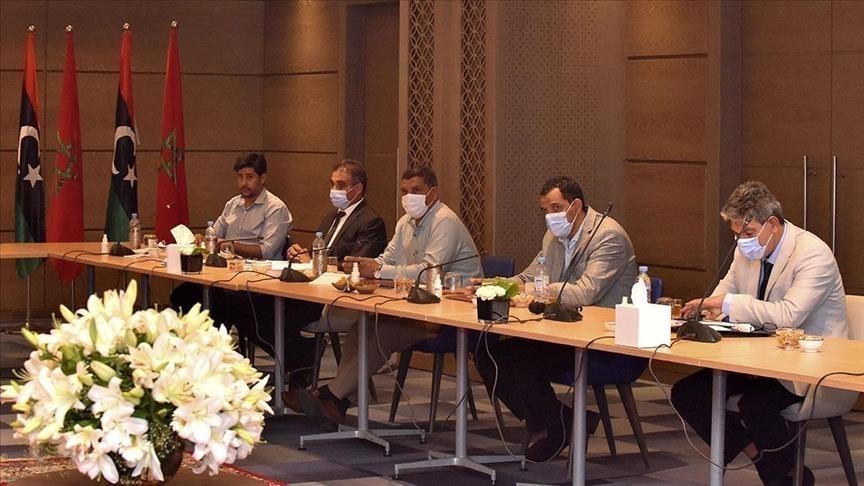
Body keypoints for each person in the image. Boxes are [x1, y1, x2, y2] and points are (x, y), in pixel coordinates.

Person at [671, 181, 847, 486]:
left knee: (756, 405)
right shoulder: (746, 250)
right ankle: (766, 461)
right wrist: (706, 311)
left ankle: (785, 477)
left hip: (809, 365)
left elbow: (788, 315)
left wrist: (727, 304)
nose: (742, 241)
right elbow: (722, 295)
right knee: (688, 393)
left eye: (748, 233)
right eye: (736, 234)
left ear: (773, 224)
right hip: (758, 359)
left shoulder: (812, 253)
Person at [286, 166, 483, 427]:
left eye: (416, 190)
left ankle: (330, 395)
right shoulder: (405, 222)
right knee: (361, 328)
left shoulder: (444, 221)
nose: (409, 197)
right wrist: (365, 264)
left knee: (382, 332)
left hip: (452, 315)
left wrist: (379, 270)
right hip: (416, 306)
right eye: (404, 191)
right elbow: (386, 259)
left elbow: (428, 271)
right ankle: (338, 401)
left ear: (433, 193)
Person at [474, 176, 641, 462]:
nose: (550, 216)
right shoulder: (553, 236)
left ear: (575, 205)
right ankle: (560, 421)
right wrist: (494, 285)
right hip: (562, 331)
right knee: (487, 353)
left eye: (556, 208)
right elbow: (530, 276)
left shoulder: (607, 236)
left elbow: (586, 293)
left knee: (525, 363)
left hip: (602, 340)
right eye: (545, 210)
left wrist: (537, 290)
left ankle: (556, 426)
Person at [170, 152, 297, 376]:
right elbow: (214, 234)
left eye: (249, 177)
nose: (243, 183)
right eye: (240, 177)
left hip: (259, 281)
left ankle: (217, 359)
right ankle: (204, 356)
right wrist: (203, 239)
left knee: (222, 305)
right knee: (184, 295)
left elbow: (266, 250)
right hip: (227, 276)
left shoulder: (275, 208)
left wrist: (228, 245)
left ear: (262, 178)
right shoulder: (232, 204)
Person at [272, 159, 388, 391]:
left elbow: (356, 267)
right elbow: (319, 256)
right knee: (261, 306)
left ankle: (300, 365)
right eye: (332, 184)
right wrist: (301, 255)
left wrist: (313, 262)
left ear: (358, 188)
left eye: (341, 185)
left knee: (283, 314)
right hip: (315, 292)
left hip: (342, 300)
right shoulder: (330, 218)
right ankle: (297, 362)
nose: (334, 190)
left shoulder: (371, 222)